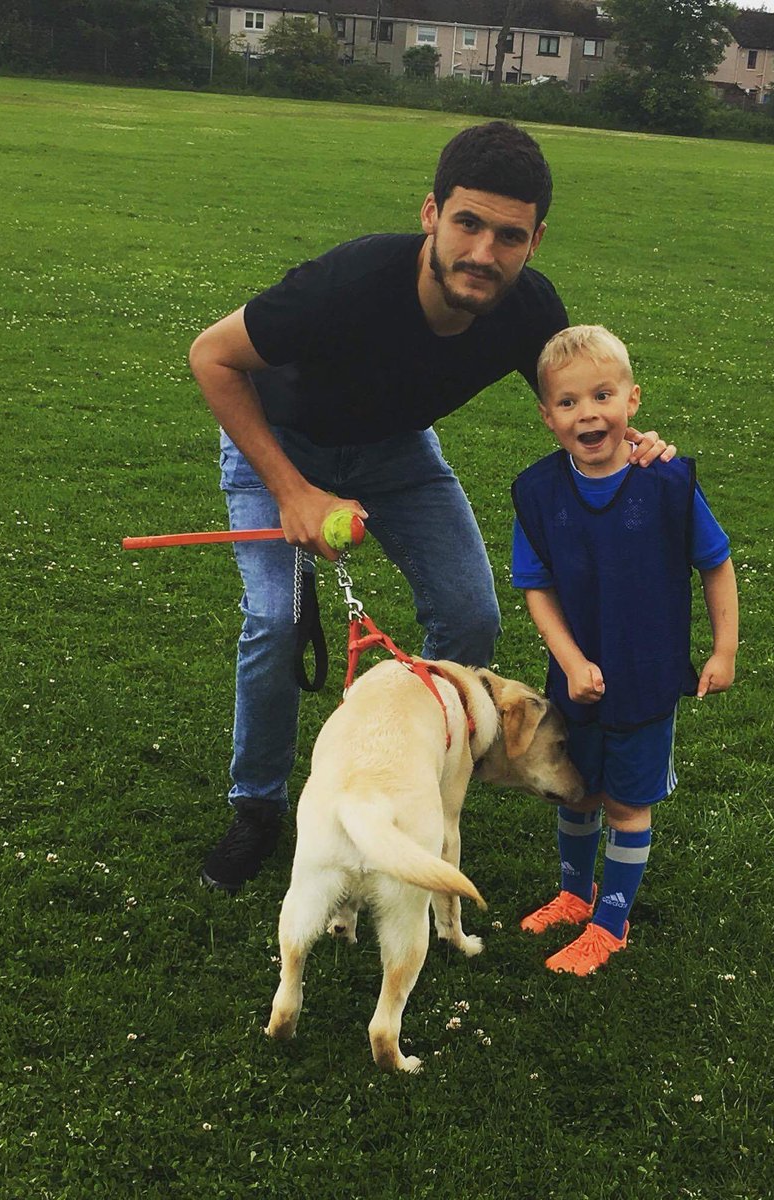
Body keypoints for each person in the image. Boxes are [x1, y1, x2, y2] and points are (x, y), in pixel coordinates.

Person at [188, 123, 673, 893]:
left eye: (508, 235)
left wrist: (632, 440)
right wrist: (291, 491)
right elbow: (210, 357)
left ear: (535, 240)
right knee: (276, 621)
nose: (483, 252)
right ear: (431, 213)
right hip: (280, 445)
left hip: (397, 453)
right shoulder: (346, 282)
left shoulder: (528, 309)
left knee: (471, 615)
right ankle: (258, 807)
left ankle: (433, 773)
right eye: (467, 223)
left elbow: (578, 389)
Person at [510, 325, 739, 975]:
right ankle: (573, 895)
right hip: (576, 681)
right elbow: (537, 589)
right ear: (547, 416)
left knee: (625, 804)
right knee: (576, 792)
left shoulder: (665, 482)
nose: (588, 413)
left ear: (633, 400)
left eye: (603, 395)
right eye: (568, 402)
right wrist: (571, 660)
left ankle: (611, 922)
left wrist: (723, 651)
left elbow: (716, 563)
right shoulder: (537, 494)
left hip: (645, 676)